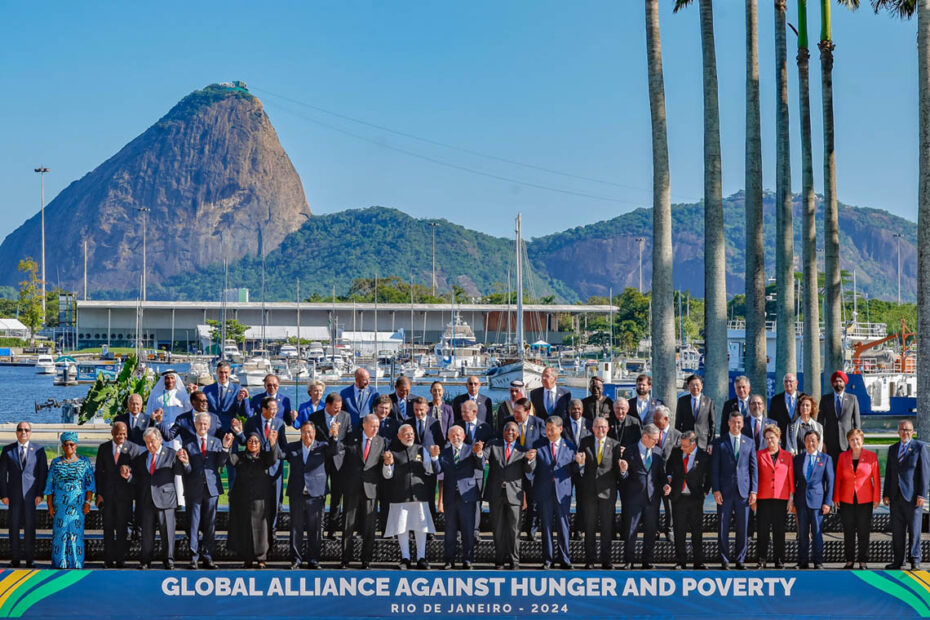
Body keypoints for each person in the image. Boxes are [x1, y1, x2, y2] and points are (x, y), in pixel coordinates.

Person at [123, 427, 185, 569]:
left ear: (160, 439)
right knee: (146, 534)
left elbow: (181, 472)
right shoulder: (142, 458)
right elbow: (138, 479)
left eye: (152, 442)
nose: (150, 445)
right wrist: (129, 477)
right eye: (147, 443)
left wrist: (184, 462)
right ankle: (145, 561)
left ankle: (168, 560)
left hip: (166, 500)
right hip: (146, 500)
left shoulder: (171, 454)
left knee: (167, 533)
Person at [178, 412, 232, 569]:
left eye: (205, 424)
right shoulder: (187, 444)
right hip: (193, 489)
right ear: (195, 425)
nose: (202, 426)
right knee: (194, 524)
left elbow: (221, 463)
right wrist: (186, 463)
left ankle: (208, 556)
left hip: (211, 488)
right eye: (200, 424)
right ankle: (193, 557)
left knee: (210, 525)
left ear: (209, 426)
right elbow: (185, 470)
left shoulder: (216, 442)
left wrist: (225, 447)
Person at [282, 420, 337, 569]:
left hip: (316, 494)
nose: (307, 435)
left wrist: (334, 436)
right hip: (297, 494)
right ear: (301, 433)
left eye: (310, 432)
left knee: (316, 529)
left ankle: (313, 559)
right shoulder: (293, 447)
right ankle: (296, 560)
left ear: (315, 433)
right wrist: (273, 442)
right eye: (305, 432)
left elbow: (334, 450)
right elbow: (279, 455)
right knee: (296, 529)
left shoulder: (323, 447)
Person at [383, 424, 438, 569]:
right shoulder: (392, 451)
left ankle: (421, 557)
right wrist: (387, 464)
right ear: (399, 436)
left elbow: (429, 469)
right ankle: (405, 558)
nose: (410, 436)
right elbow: (387, 475)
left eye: (412, 433)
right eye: (406, 434)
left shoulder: (421, 449)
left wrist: (433, 457)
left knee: (421, 527)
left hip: (419, 495)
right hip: (399, 495)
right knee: (402, 527)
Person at [484, 421, 536, 569]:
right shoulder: (494, 446)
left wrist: (530, 460)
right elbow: (482, 457)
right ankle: (499, 560)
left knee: (514, 530)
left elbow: (528, 471)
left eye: (513, 430)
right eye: (507, 430)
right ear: (503, 432)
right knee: (498, 529)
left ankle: (514, 561)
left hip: (515, 494)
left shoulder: (523, 450)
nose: (510, 432)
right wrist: (479, 453)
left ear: (518, 433)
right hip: (496, 494)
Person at [336, 414, 386, 568]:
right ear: (364, 424)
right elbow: (341, 459)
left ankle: (366, 560)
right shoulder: (351, 438)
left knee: (369, 527)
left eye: (377, 426)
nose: (376, 429)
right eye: (373, 426)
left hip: (370, 489)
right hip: (352, 487)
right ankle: (345, 559)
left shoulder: (381, 442)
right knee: (348, 525)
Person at [531, 416, 580, 569]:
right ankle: (548, 559)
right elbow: (532, 469)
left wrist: (580, 464)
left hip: (562, 492)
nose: (549, 432)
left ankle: (565, 559)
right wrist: (529, 461)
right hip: (544, 491)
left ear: (560, 429)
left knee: (563, 526)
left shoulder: (571, 446)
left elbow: (574, 471)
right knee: (545, 526)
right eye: (547, 429)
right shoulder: (538, 445)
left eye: (552, 429)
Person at [235, 396, 288, 538]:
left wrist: (275, 453)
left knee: (275, 501)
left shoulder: (279, 423)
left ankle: (273, 530)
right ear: (263, 409)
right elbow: (246, 442)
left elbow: (284, 447)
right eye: (272, 409)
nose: (275, 411)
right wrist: (239, 433)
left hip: (274, 468)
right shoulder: (252, 422)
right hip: (257, 469)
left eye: (276, 409)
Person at [226, 430, 279, 568]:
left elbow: (273, 459)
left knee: (262, 530)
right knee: (245, 530)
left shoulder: (264, 458)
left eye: (256, 441)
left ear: (260, 444)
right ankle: (247, 558)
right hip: (243, 500)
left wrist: (273, 443)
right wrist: (228, 446)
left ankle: (261, 558)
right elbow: (230, 460)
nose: (253, 443)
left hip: (260, 501)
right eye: (250, 441)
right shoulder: (240, 457)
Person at [711, 410, 758, 569]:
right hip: (724, 492)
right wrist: (716, 490)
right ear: (728, 423)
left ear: (742, 424)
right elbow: (715, 468)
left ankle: (740, 559)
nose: (736, 425)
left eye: (739, 422)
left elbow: (753, 469)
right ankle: (724, 559)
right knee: (723, 526)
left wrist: (754, 491)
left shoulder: (749, 442)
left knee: (742, 527)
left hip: (743, 491)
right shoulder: (719, 442)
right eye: (733, 422)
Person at [434, 426, 485, 569]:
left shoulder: (471, 449)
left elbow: (480, 466)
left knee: (468, 530)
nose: (455, 437)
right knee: (450, 531)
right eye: (452, 435)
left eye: (458, 435)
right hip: (450, 497)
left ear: (463, 436)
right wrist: (434, 457)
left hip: (467, 496)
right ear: (448, 438)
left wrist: (479, 453)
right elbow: (437, 470)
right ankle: (449, 560)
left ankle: (467, 560)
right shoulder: (444, 453)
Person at [619, 424, 668, 569]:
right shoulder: (630, 450)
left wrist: (665, 484)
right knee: (630, 530)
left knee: (651, 530)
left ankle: (647, 561)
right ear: (645, 437)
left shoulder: (658, 452)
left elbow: (661, 474)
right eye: (653, 439)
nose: (656, 442)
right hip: (633, 498)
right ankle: (629, 561)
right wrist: (623, 471)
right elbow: (624, 476)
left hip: (652, 498)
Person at [883, 420, 930, 570]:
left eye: (908, 430)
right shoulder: (893, 448)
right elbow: (889, 473)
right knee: (897, 531)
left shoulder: (920, 447)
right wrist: (886, 494)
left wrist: (922, 494)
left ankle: (915, 560)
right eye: (902, 430)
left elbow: (925, 473)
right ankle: (898, 560)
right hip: (895, 497)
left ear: (913, 432)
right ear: (898, 432)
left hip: (913, 497)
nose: (905, 432)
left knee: (914, 530)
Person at [0, 421, 48, 568]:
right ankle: (15, 558)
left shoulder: (39, 450)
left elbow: (42, 474)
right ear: (16, 432)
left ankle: (29, 558)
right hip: (13, 496)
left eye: (26, 430)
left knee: (30, 527)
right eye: (20, 430)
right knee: (13, 527)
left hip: (31, 496)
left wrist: (40, 493)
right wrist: (3, 494)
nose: (23, 432)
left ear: (30, 432)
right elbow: (1, 475)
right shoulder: (8, 450)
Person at [44, 432, 95, 569]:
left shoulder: (84, 462)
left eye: (71, 444)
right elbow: (50, 485)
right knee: (60, 534)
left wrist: (88, 502)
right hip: (60, 506)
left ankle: (76, 563)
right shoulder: (56, 463)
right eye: (65, 444)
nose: (69, 447)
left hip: (77, 506)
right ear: (62, 446)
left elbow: (90, 484)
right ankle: (59, 563)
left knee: (75, 535)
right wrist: (49, 505)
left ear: (76, 445)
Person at [95, 421, 143, 567]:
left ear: (126, 434)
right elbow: (98, 473)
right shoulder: (104, 448)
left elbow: (139, 475)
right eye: (117, 434)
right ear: (112, 433)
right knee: (108, 529)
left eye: (123, 434)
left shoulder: (134, 449)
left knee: (123, 530)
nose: (120, 436)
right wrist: (99, 494)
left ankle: (121, 560)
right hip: (107, 496)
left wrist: (129, 476)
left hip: (125, 497)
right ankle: (108, 560)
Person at [833, 428, 881, 569]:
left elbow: (876, 479)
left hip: (865, 499)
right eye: (852, 440)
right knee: (848, 530)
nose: (855, 442)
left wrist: (876, 497)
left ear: (862, 440)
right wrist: (836, 497)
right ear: (848, 441)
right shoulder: (843, 457)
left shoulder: (871, 456)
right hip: (846, 499)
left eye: (857, 439)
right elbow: (838, 479)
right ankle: (849, 560)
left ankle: (863, 560)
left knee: (863, 530)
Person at [577, 417, 621, 569]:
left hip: (607, 493)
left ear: (608, 428)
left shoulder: (615, 445)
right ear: (592, 428)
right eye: (597, 426)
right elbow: (580, 468)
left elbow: (617, 471)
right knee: (589, 528)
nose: (600, 429)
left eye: (603, 427)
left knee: (607, 529)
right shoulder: (585, 442)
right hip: (589, 493)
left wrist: (623, 471)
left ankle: (606, 561)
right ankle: (590, 560)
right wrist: (580, 465)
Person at [666, 431, 711, 569]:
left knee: (697, 532)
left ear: (693, 444)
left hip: (695, 499)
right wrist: (668, 478)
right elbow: (668, 467)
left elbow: (709, 475)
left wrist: (705, 491)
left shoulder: (703, 456)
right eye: (681, 445)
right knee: (679, 532)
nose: (682, 448)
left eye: (685, 446)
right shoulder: (675, 452)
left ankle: (698, 562)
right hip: (679, 498)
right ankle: (681, 562)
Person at [146, 371, 192, 507]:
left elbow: (189, 413)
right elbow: (149, 415)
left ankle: (180, 500)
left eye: (172, 378)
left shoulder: (182, 395)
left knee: (177, 467)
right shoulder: (156, 396)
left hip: (177, 437)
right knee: (162, 466)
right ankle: (161, 497)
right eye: (167, 378)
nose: (169, 381)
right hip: (160, 437)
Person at [310, 392, 350, 540]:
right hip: (320, 461)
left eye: (339, 407)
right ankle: (317, 530)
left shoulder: (345, 416)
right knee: (319, 495)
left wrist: (336, 440)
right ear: (327, 405)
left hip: (339, 462)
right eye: (335, 408)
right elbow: (313, 439)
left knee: (337, 497)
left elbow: (348, 437)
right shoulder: (315, 417)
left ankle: (332, 531)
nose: (337, 410)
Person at [793, 430, 834, 569]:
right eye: (808, 440)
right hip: (801, 501)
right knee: (802, 533)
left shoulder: (825, 458)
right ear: (804, 442)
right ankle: (802, 561)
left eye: (813, 440)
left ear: (818, 442)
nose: (810, 443)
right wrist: (792, 500)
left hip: (818, 502)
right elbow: (794, 481)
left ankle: (818, 561)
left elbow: (830, 481)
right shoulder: (798, 459)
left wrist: (827, 502)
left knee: (817, 533)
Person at [754, 425, 794, 569]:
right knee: (762, 530)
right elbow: (755, 477)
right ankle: (762, 560)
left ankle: (779, 560)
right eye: (767, 438)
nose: (770, 440)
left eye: (772, 437)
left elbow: (790, 478)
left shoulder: (787, 456)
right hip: (763, 498)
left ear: (778, 438)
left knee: (779, 531)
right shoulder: (759, 454)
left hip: (781, 498)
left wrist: (791, 498)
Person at [820, 371, 861, 468]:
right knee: (831, 473)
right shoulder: (825, 399)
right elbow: (820, 422)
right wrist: (822, 442)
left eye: (840, 381)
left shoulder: (852, 399)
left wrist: (855, 442)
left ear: (844, 383)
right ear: (832, 384)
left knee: (847, 471)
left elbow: (857, 423)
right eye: (836, 381)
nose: (838, 383)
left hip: (847, 443)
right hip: (830, 443)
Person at [156, 390, 225, 446]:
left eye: (206, 401)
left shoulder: (214, 418)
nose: (205, 403)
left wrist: (233, 430)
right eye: (202, 401)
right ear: (193, 402)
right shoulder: (182, 419)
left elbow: (222, 436)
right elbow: (169, 437)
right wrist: (160, 421)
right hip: (189, 459)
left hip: (210, 459)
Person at [653, 406, 681, 543]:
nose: (654, 421)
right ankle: (654, 531)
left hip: (669, 477)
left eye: (657, 419)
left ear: (666, 419)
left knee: (669, 506)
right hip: (654, 476)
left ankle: (669, 530)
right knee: (653, 505)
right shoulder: (651, 432)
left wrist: (672, 476)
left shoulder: (677, 435)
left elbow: (678, 459)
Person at [203, 361, 251, 431]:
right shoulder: (207, 390)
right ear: (217, 372)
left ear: (230, 372)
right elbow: (202, 409)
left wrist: (240, 400)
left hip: (230, 430)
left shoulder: (237, 389)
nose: (223, 375)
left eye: (226, 372)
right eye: (221, 372)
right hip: (212, 430)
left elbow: (243, 413)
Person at [675, 374, 715, 450]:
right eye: (692, 385)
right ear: (688, 386)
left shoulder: (709, 401)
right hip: (687, 441)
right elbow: (678, 423)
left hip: (703, 442)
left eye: (697, 385)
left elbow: (712, 424)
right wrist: (679, 441)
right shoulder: (682, 401)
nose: (695, 387)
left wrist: (711, 443)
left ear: (702, 386)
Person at [769, 373, 803, 443]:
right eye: (786, 381)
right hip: (782, 440)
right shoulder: (776, 400)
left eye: (790, 381)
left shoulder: (803, 398)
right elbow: (771, 420)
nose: (788, 383)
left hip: (800, 439)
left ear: (796, 383)